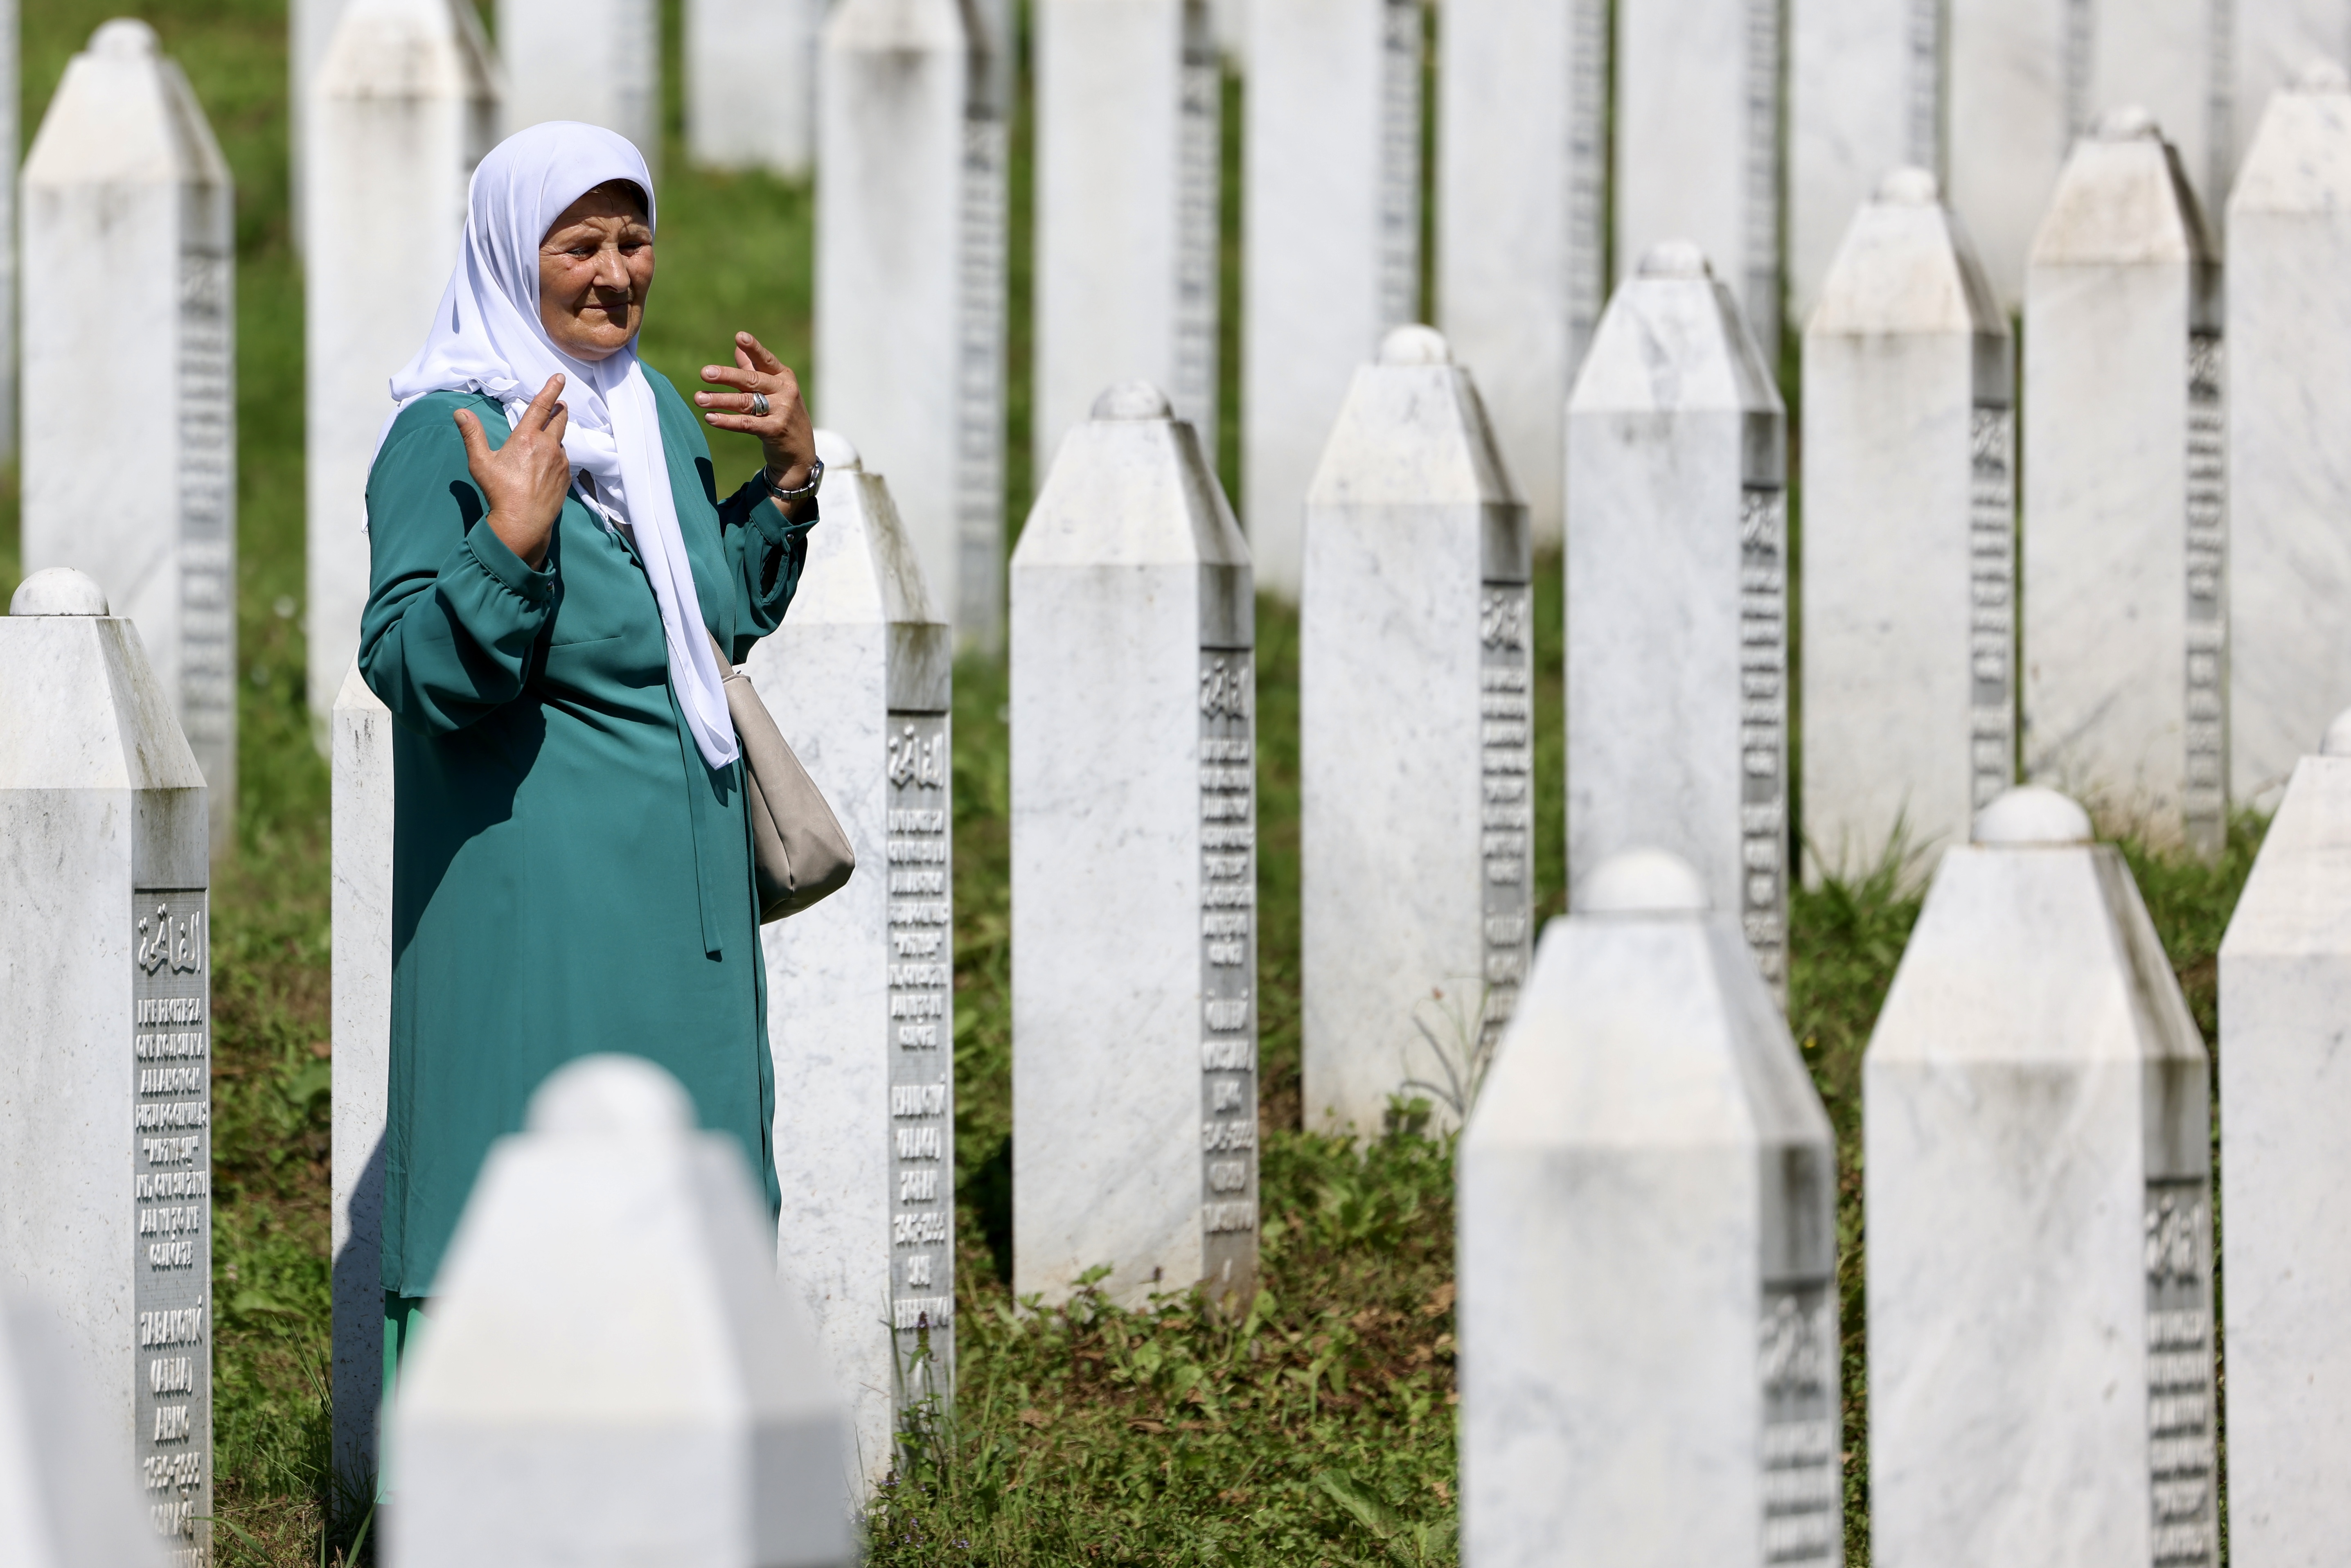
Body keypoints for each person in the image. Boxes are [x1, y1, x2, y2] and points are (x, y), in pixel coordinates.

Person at [358, 122, 819, 1373]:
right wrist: (504, 546)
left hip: (685, 903)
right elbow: (408, 665)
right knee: (536, 1208)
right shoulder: (445, 432)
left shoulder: (651, 410)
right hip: (539, 905)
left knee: (696, 1206)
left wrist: (784, 482)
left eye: (634, 239)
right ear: (516, 253)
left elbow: (705, 616)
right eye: (580, 244)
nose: (615, 272)